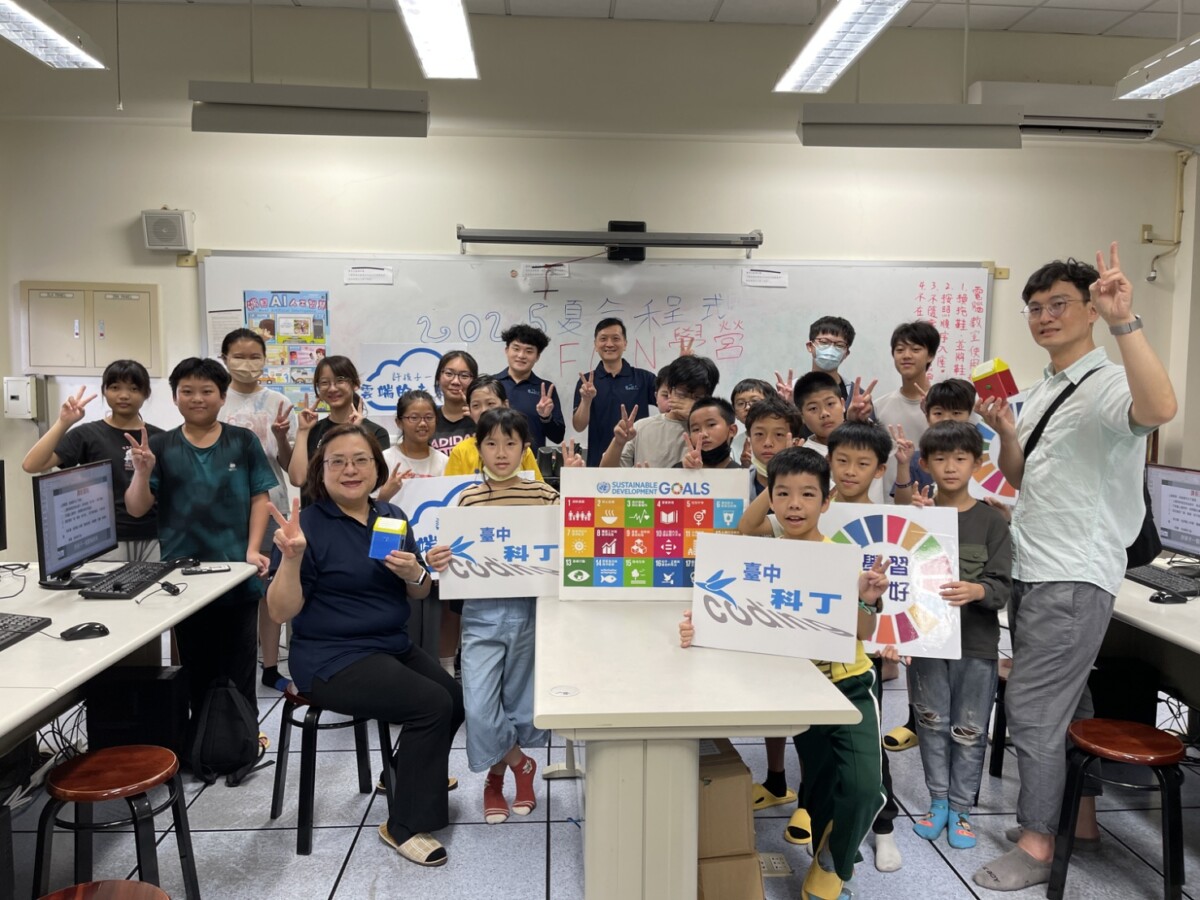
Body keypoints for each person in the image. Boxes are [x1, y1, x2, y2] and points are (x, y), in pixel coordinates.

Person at [972, 243, 1176, 892]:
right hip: (1035, 565)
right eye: (1035, 308)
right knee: (1069, 701)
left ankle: (1037, 844)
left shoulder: (1110, 382)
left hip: (1073, 573)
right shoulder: (1038, 391)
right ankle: (1080, 824)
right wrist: (1007, 432)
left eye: (1058, 303)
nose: (1044, 316)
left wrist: (1125, 322)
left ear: (1091, 310)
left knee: (1033, 708)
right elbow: (1020, 477)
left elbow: (1160, 409)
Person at [693, 446, 890, 900]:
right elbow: (733, 611)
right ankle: (825, 854)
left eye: (808, 494)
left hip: (848, 685)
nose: (795, 504)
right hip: (799, 690)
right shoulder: (763, 558)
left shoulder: (841, 558)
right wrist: (699, 623)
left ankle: (835, 859)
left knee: (865, 788)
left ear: (827, 501)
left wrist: (866, 600)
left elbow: (864, 631)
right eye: (783, 494)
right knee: (819, 786)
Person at [264, 423, 463, 868]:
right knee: (430, 704)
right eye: (338, 462)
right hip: (331, 657)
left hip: (388, 643)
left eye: (360, 460)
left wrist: (415, 573)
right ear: (322, 471)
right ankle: (404, 825)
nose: (350, 470)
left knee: (453, 698)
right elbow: (279, 612)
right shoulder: (307, 525)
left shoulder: (391, 516)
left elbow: (418, 591)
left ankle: (403, 775)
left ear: (377, 468)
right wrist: (292, 559)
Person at [428, 409, 559, 825]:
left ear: (524, 449)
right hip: (481, 612)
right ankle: (522, 764)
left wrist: (577, 490)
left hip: (530, 610)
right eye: (491, 444)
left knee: (520, 702)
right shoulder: (468, 499)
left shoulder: (544, 495)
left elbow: (575, 539)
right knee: (479, 704)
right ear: (478, 448)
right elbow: (454, 555)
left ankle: (495, 779)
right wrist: (439, 558)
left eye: (510, 444)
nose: (501, 453)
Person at [124, 358, 276, 717]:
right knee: (195, 666)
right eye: (187, 391)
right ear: (175, 397)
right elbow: (136, 508)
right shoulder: (160, 445)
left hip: (236, 572)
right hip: (184, 576)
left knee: (240, 666)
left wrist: (253, 550)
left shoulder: (242, 441)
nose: (197, 398)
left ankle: (243, 737)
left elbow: (260, 497)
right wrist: (142, 472)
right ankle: (202, 737)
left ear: (222, 397)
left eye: (207, 391)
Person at [905, 421, 1012, 851]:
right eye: (941, 458)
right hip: (928, 642)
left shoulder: (991, 521)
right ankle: (938, 802)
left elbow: (1002, 587)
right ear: (925, 463)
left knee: (969, 729)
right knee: (930, 721)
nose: (950, 467)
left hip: (977, 644)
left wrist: (979, 590)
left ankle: (962, 808)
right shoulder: (916, 518)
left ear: (976, 463)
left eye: (961, 458)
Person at [22, 359, 163, 562]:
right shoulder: (88, 434)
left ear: (146, 393)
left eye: (134, 388)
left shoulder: (159, 438)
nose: (124, 395)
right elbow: (32, 464)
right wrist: (63, 422)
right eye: (115, 387)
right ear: (104, 391)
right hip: (104, 538)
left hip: (154, 536)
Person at [218, 327, 296, 692]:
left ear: (266, 360)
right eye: (239, 356)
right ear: (224, 359)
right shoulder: (216, 399)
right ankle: (231, 665)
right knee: (228, 589)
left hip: (271, 506)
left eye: (255, 357)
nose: (247, 363)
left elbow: (290, 465)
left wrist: (281, 436)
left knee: (269, 590)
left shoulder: (278, 401)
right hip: (224, 510)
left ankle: (270, 665)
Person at [288, 356, 390, 506]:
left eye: (340, 380)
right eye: (324, 383)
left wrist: (354, 432)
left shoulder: (375, 433)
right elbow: (298, 479)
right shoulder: (311, 429)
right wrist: (303, 431)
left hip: (356, 516)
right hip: (314, 515)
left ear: (355, 384)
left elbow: (375, 483)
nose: (332, 388)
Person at [599, 355, 718, 468]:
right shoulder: (641, 427)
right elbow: (605, 472)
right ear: (669, 392)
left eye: (697, 398)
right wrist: (618, 443)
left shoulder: (713, 430)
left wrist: (695, 418)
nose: (688, 402)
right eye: (682, 394)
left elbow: (721, 466)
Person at [572, 318, 658, 466]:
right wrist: (586, 400)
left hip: (637, 463)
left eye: (616, 339)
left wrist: (682, 368)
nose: (609, 344)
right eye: (603, 339)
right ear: (595, 345)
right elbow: (578, 426)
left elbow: (669, 405)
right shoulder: (586, 382)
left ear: (625, 344)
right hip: (599, 464)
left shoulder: (645, 378)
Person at [875, 320, 940, 496]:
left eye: (915, 349)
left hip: (938, 502)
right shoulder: (879, 407)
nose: (906, 355)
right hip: (891, 503)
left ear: (930, 355)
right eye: (900, 350)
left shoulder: (948, 406)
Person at [444, 376, 545, 480]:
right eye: (476, 405)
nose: (483, 410)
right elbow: (451, 488)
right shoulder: (460, 452)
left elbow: (538, 486)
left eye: (490, 403)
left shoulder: (521, 450)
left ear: (505, 405)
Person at [494, 324, 564, 450]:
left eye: (529, 351)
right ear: (507, 350)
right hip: (496, 457)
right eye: (516, 349)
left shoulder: (546, 389)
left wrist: (546, 417)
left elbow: (558, 437)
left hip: (533, 460)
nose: (521, 355)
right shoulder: (491, 385)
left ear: (537, 357)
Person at [378, 389, 448, 501]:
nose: (423, 423)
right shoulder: (384, 460)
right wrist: (385, 496)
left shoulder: (444, 462)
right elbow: (370, 507)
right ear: (399, 422)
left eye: (429, 417)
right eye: (414, 418)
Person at [430, 350, 479, 455]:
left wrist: (479, 421)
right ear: (438, 377)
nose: (455, 381)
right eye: (449, 374)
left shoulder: (482, 418)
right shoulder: (429, 419)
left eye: (464, 376)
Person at [677, 397, 741, 469]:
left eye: (711, 425)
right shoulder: (676, 471)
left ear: (732, 430)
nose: (703, 434)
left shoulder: (743, 474)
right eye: (696, 429)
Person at [730, 377, 774, 468]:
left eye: (754, 401)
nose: (747, 407)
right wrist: (745, 467)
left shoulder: (783, 437)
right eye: (740, 403)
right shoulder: (733, 445)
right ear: (735, 413)